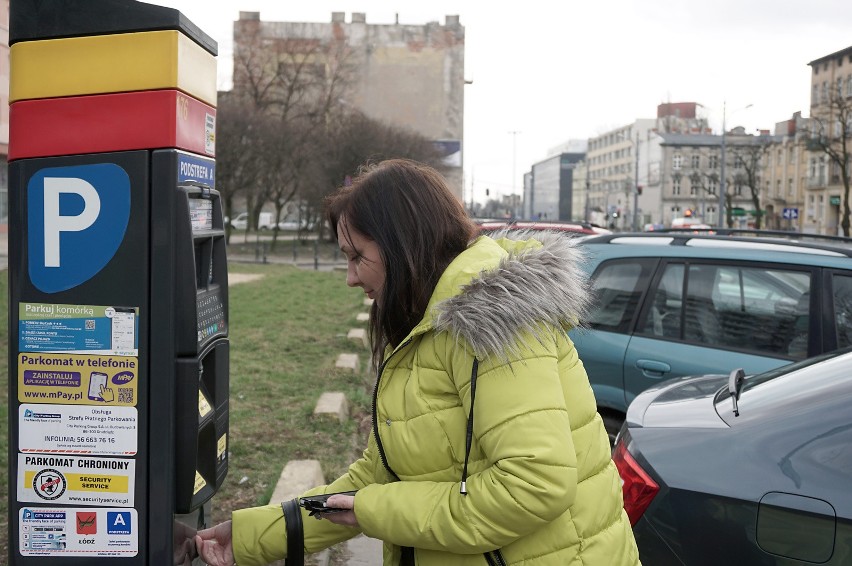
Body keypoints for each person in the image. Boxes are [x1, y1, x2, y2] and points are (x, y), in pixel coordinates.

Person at [196, 158, 640, 565]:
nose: (350, 278)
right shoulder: (422, 329)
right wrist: (250, 536)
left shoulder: (496, 322)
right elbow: (380, 473)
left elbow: (534, 485)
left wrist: (375, 511)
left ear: (403, 245)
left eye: (357, 257)